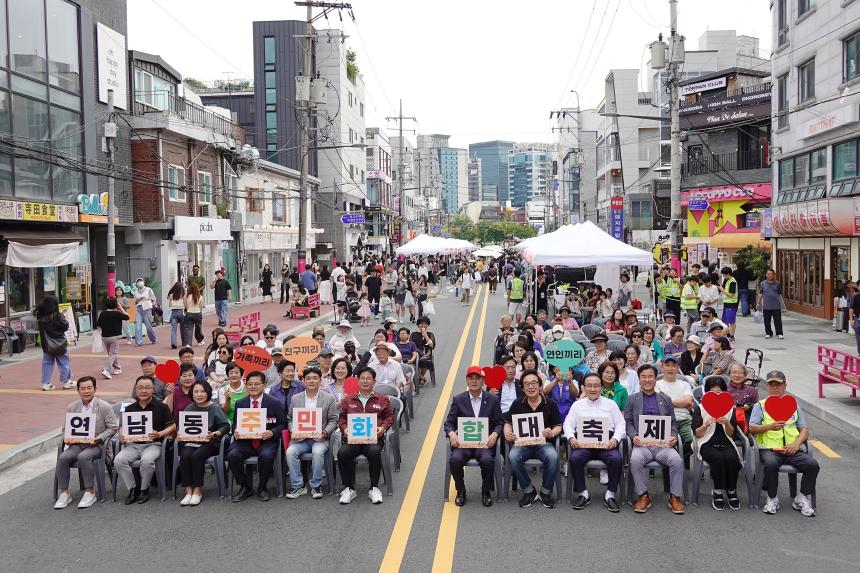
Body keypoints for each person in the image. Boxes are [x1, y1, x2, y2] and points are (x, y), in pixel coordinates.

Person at [749, 370, 819, 516]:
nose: (775, 387)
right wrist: (769, 426)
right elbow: (752, 428)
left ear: (785, 386)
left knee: (812, 465)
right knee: (771, 464)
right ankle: (772, 498)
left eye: (778, 384)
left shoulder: (793, 405)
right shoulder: (760, 406)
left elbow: (804, 430)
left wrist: (796, 444)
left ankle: (802, 498)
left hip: (792, 449)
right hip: (769, 449)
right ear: (767, 386)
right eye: (771, 384)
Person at [624, 364, 686, 514]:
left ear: (655, 379)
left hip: (663, 445)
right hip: (642, 445)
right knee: (636, 460)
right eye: (643, 377)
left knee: (677, 460)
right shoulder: (632, 399)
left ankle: (675, 496)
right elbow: (628, 422)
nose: (647, 380)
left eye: (650, 376)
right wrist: (633, 436)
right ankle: (643, 495)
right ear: (639, 380)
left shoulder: (665, 398)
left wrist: (673, 437)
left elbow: (672, 421)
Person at [564, 372, 626, 512]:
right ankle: (583, 493)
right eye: (589, 386)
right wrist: (571, 437)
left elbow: (621, 424)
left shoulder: (611, 404)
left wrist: (615, 439)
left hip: (606, 442)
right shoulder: (577, 405)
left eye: (596, 386)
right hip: (583, 442)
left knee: (616, 459)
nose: (593, 389)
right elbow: (567, 424)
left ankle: (610, 495)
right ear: (584, 388)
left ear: (601, 387)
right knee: (575, 458)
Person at [54, 376, 118, 509]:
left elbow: (113, 428)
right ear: (78, 390)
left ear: (95, 389)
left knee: (84, 457)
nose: (86, 391)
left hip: (97, 444)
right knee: (63, 457)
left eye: (89, 388)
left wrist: (99, 438)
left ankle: (89, 491)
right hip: (77, 444)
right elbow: (66, 429)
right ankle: (64, 493)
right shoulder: (72, 407)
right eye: (82, 388)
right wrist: (67, 437)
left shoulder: (104, 406)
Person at [444, 366, 503, 507]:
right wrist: (451, 433)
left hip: (484, 443)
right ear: (466, 380)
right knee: (455, 460)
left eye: (478, 378)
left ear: (483, 381)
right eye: (471, 378)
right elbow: (449, 423)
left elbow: (499, 422)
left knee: (488, 460)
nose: (474, 381)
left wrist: (495, 434)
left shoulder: (492, 399)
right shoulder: (458, 399)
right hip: (464, 443)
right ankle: (461, 490)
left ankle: (485, 491)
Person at [503, 369, 562, 508]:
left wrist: (552, 433)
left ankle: (546, 492)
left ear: (540, 385)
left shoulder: (550, 403)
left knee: (553, 456)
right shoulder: (517, 403)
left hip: (543, 443)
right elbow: (507, 423)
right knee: (513, 456)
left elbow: (559, 426)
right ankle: (529, 491)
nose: (531, 387)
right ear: (522, 388)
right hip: (523, 444)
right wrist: (507, 433)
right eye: (527, 384)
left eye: (534, 383)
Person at [337, 367, 395, 505]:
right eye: (362, 378)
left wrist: (383, 428)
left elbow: (389, 417)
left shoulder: (382, 399)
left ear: (374, 381)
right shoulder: (349, 399)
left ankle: (374, 487)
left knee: (374, 452)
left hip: (373, 439)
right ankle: (349, 488)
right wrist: (344, 429)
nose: (365, 381)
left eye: (368, 378)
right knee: (343, 453)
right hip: (354, 439)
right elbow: (342, 418)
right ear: (357, 381)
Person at [227, 371, 287, 502]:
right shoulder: (240, 403)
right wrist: (236, 430)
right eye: (250, 384)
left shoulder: (274, 402)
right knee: (232, 455)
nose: (253, 387)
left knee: (265, 455)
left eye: (256, 384)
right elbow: (235, 423)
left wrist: (272, 432)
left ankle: (262, 486)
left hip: (267, 441)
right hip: (245, 441)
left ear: (264, 385)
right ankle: (245, 486)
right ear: (246, 385)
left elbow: (283, 424)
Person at [115, 376, 175, 504]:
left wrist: (159, 434)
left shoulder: (161, 407)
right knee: (119, 460)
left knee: (147, 460)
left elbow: (172, 426)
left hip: (153, 444)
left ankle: (144, 489)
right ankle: (132, 489)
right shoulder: (129, 408)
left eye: (147, 387)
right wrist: (121, 434)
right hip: (133, 445)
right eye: (140, 387)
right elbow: (122, 427)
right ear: (135, 390)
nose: (143, 391)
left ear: (153, 389)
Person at [285, 367, 338, 499]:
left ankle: (316, 485)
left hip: (320, 439)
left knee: (318, 452)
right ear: (303, 381)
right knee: (290, 452)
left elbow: (333, 420)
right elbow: (290, 418)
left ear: (320, 381)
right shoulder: (295, 398)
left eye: (315, 378)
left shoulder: (328, 398)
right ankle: (298, 486)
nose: (311, 381)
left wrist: (325, 432)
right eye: (308, 378)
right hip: (301, 439)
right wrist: (293, 430)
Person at [692, 375, 743, 511]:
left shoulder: (730, 408)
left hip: (726, 441)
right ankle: (718, 491)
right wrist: (706, 425)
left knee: (732, 459)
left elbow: (732, 433)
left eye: (719, 392)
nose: (715, 395)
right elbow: (697, 434)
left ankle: (732, 490)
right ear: (706, 393)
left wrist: (726, 423)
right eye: (712, 392)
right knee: (718, 458)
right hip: (706, 442)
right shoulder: (701, 408)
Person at [177, 380, 230, 506]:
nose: (199, 394)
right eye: (196, 391)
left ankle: (197, 490)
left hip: (210, 442)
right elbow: (182, 426)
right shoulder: (189, 408)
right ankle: (188, 490)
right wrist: (180, 433)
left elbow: (225, 426)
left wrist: (215, 433)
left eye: (202, 391)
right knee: (185, 455)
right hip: (192, 441)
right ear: (192, 393)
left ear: (208, 393)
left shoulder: (215, 408)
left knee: (196, 456)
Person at [656, 356, 694, 463]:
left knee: (691, 441)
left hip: (684, 419)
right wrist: (681, 402)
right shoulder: (657, 384)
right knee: (666, 443)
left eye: (673, 366)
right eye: (667, 365)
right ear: (662, 367)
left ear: (678, 368)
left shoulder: (684, 384)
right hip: (664, 420)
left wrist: (667, 401)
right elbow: (659, 404)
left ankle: (678, 459)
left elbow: (688, 401)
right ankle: (672, 461)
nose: (670, 368)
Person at [35, 294, 73, 391]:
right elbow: (65, 326)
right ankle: (66, 381)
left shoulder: (40, 316)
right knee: (63, 361)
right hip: (59, 342)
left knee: (47, 363)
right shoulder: (57, 315)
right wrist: (63, 318)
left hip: (46, 344)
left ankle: (46, 383)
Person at [95, 296, 127, 380]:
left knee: (111, 354)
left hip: (104, 337)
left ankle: (117, 367)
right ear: (115, 305)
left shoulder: (102, 313)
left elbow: (98, 325)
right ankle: (106, 370)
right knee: (113, 354)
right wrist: (121, 308)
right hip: (115, 338)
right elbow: (127, 317)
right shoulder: (117, 313)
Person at [757, 269, 784, 339]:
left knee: (777, 320)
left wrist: (782, 304)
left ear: (774, 275)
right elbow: (761, 293)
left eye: (771, 274)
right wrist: (758, 303)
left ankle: (779, 333)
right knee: (766, 321)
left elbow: (779, 293)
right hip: (766, 305)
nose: (769, 275)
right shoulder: (762, 283)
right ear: (766, 275)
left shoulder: (777, 283)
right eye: (768, 274)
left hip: (776, 305)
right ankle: (768, 333)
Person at [131, 277, 158, 345]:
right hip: (139, 308)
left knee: (148, 325)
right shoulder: (136, 291)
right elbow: (134, 302)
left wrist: (148, 299)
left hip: (147, 308)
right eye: (138, 281)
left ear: (143, 282)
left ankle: (153, 338)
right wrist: (138, 299)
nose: (140, 282)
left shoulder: (148, 289)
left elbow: (153, 298)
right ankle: (138, 342)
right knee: (138, 325)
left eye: (141, 281)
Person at [411, 316, 436, 385]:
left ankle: (420, 376)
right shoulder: (414, 334)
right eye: (421, 323)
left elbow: (432, 345)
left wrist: (425, 335)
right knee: (412, 361)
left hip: (426, 354)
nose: (423, 325)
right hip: (415, 353)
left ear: (428, 325)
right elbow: (410, 345)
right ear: (418, 325)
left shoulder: (430, 334)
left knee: (425, 360)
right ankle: (422, 377)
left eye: (425, 324)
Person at [182, 281, 205, 347]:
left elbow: (185, 305)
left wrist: (188, 309)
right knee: (198, 328)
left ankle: (188, 343)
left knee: (188, 328)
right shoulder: (200, 297)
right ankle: (199, 341)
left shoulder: (187, 296)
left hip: (189, 313)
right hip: (197, 313)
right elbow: (201, 307)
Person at [719, 266, 739, 337]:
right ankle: (728, 334)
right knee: (725, 320)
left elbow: (731, 295)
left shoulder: (732, 282)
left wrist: (722, 290)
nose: (723, 276)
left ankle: (732, 336)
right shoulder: (727, 280)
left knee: (731, 321)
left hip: (732, 304)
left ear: (728, 274)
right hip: (727, 303)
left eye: (724, 275)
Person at [166, 282, 185, 349]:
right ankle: (184, 342)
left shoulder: (171, 295)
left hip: (173, 312)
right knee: (182, 328)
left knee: (174, 329)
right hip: (181, 312)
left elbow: (170, 305)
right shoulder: (182, 294)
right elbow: (185, 303)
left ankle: (173, 343)